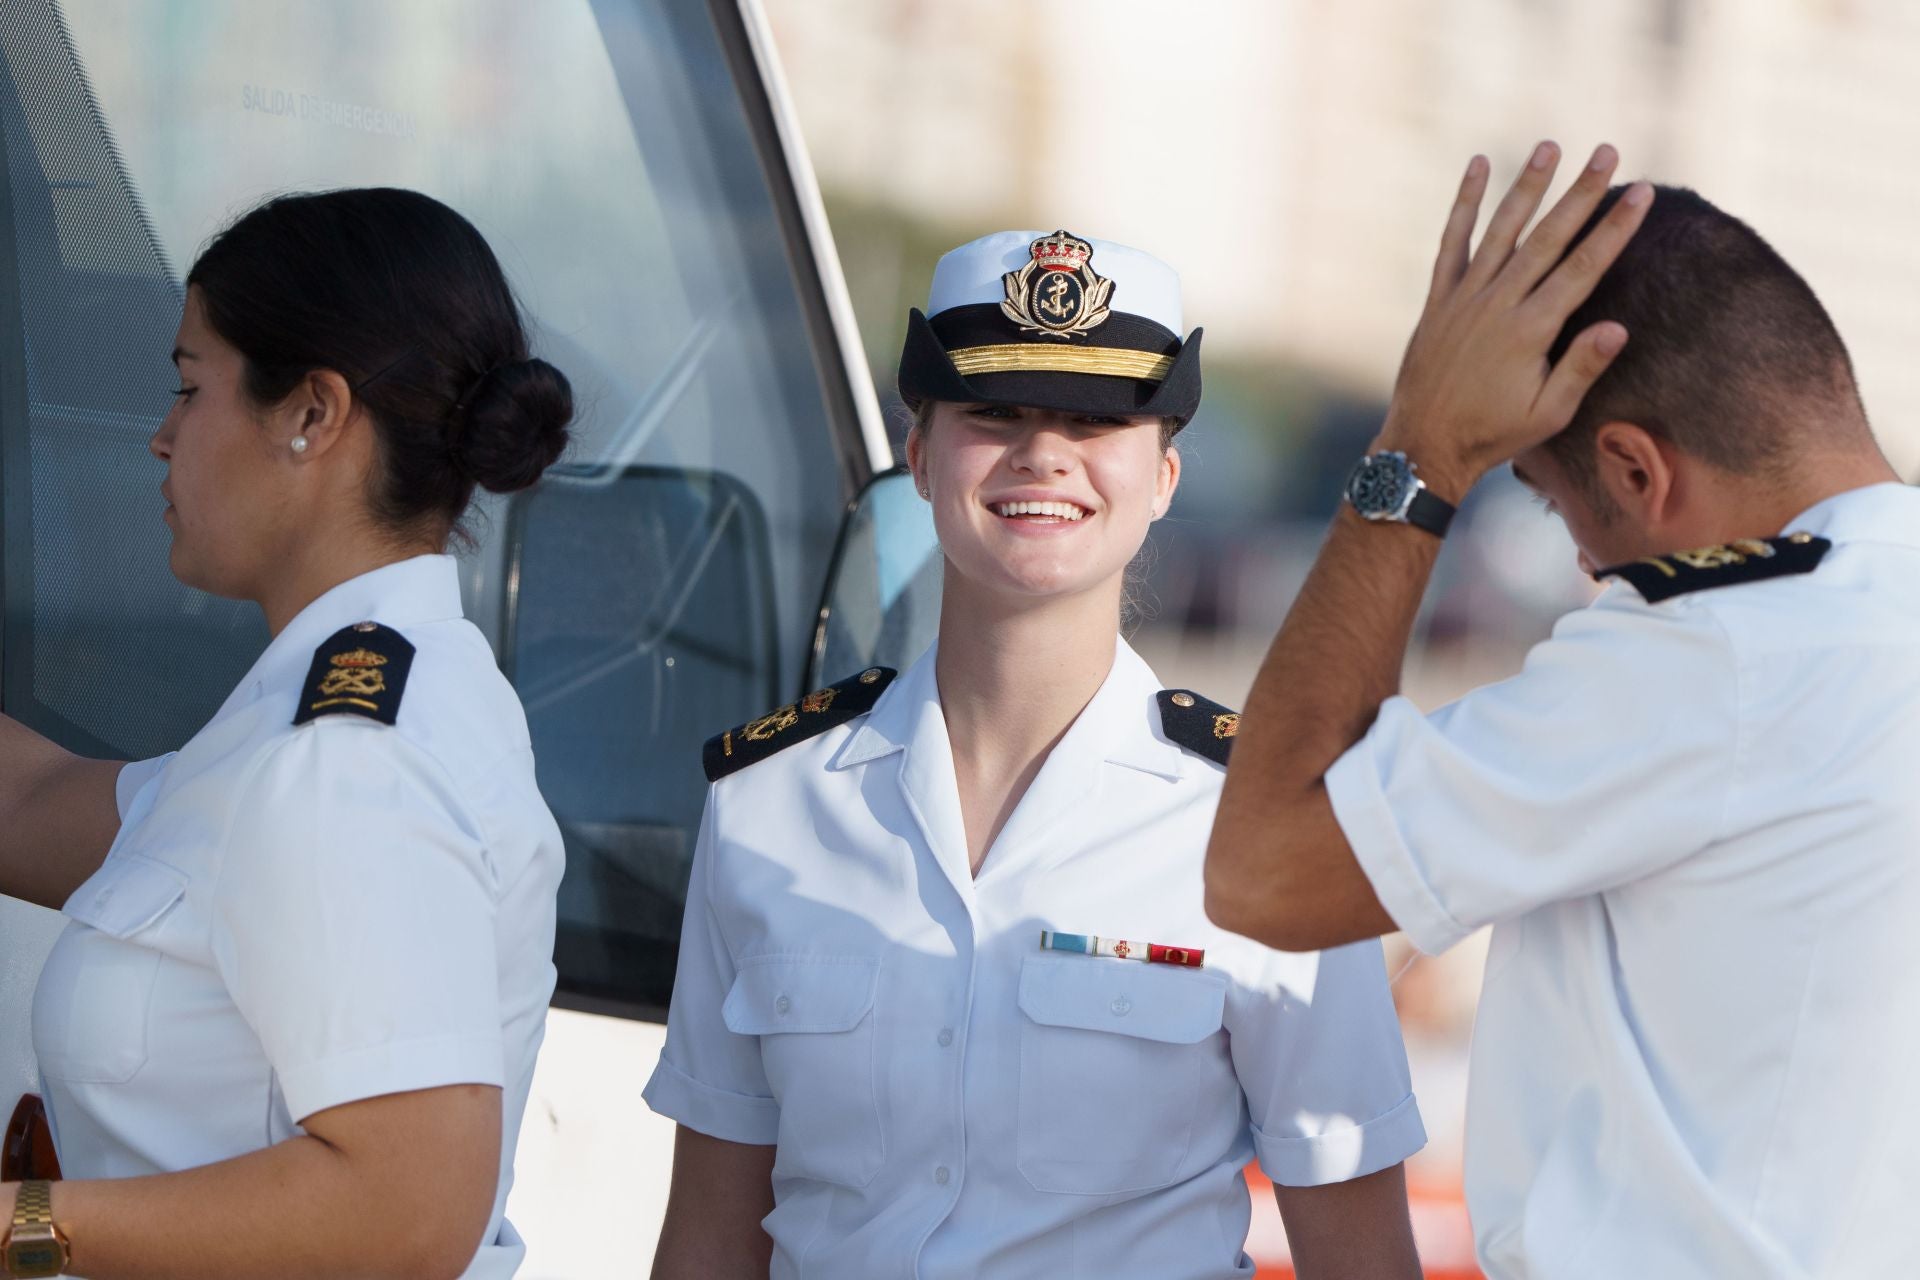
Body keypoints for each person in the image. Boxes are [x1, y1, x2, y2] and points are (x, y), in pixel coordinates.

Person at [643, 229, 1428, 1279]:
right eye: (995, 413)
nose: (1043, 454)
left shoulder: (1266, 830)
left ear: (1165, 474)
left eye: (1098, 419)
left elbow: (1362, 1257)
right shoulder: (767, 804)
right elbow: (707, 1237)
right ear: (919, 456)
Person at [1205, 141, 1920, 1278]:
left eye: (1547, 502)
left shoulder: (1718, 650)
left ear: (1636, 471)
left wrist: (1417, 450)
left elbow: (1263, 867)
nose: (1583, 559)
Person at [0, 188, 572, 1280]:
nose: (163, 436)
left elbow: (406, 1209)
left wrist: (23, 1225)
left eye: (189, 385)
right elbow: (31, 805)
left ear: (313, 413)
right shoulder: (333, 708)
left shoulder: (352, 755)